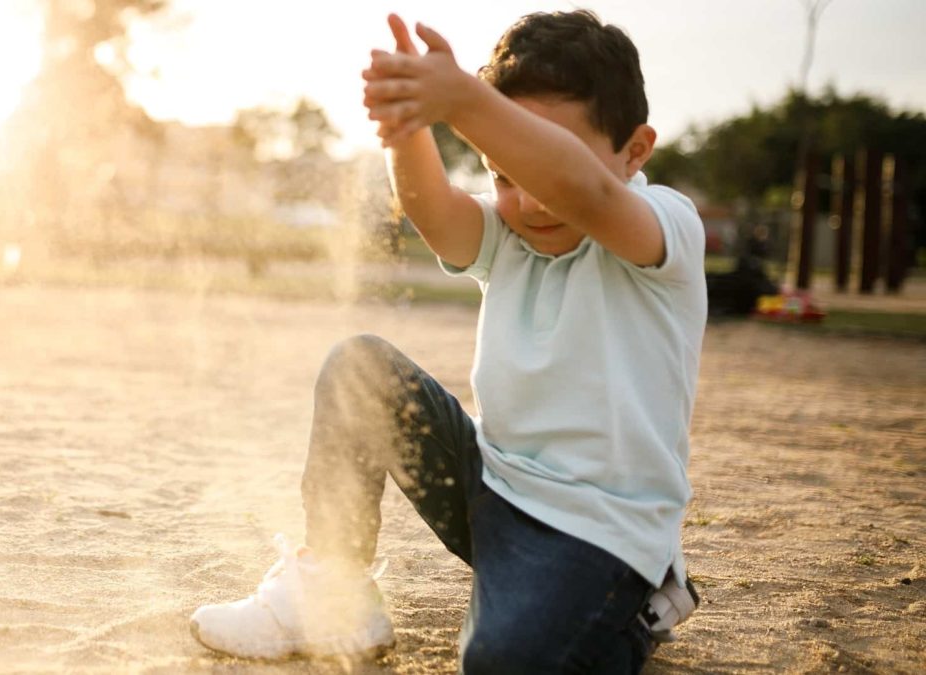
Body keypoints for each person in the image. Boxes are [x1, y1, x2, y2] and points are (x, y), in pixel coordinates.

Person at [190, 10, 705, 672]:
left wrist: (464, 98)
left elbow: (585, 190)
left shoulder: (664, 225)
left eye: (539, 166)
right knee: (361, 370)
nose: (530, 200)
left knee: (501, 661)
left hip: (598, 537)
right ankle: (335, 595)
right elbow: (437, 215)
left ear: (634, 151)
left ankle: (635, 614)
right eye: (504, 174)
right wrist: (407, 127)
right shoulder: (513, 236)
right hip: (492, 488)